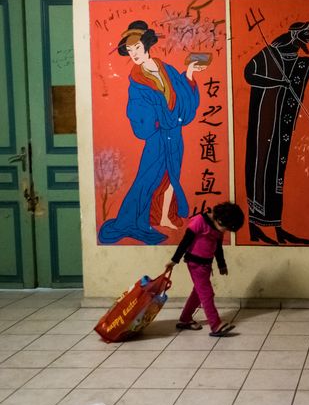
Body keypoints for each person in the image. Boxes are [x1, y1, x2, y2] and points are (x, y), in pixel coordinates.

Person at [98, 20, 203, 245]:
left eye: (136, 48)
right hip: (157, 137)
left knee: (172, 176)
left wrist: (191, 74)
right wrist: (155, 121)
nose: (133, 54)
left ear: (146, 45)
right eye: (129, 51)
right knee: (147, 179)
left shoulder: (166, 68)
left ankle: (165, 215)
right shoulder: (136, 81)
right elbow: (136, 112)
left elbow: (182, 92)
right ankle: (132, 222)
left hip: (174, 133)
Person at [243, 22, 309, 245]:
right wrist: (277, 82)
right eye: (303, 39)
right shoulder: (269, 54)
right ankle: (254, 226)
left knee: (277, 173)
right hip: (263, 124)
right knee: (260, 168)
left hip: (281, 126)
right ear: (294, 36)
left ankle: (277, 227)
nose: (304, 45)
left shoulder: (296, 61)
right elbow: (249, 75)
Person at [166, 202, 244, 337]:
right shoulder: (199, 222)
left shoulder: (218, 227)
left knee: (198, 292)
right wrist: (174, 260)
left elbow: (218, 247)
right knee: (207, 294)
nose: (223, 231)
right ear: (219, 219)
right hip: (195, 264)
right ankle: (215, 325)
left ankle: (185, 319)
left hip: (206, 264)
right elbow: (185, 242)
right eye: (224, 227)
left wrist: (222, 264)